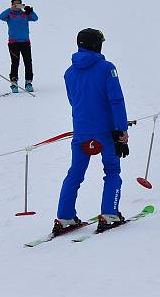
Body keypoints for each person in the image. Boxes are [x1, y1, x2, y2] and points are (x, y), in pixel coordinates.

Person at [54, 29, 129, 235]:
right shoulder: (107, 68)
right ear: (97, 45)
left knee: (75, 173)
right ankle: (109, 213)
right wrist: (121, 129)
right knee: (112, 170)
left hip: (81, 130)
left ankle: (64, 216)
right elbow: (116, 99)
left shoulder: (69, 72)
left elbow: (73, 100)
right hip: (106, 131)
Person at [0, 0, 38, 93]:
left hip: (25, 42)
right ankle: (14, 83)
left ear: (21, 5)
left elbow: (35, 18)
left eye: (19, 4)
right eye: (14, 4)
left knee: (28, 62)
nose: (17, 6)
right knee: (15, 62)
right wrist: (10, 9)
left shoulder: (25, 14)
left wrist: (30, 11)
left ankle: (28, 82)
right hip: (13, 43)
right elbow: (0, 16)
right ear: (12, 5)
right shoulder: (9, 15)